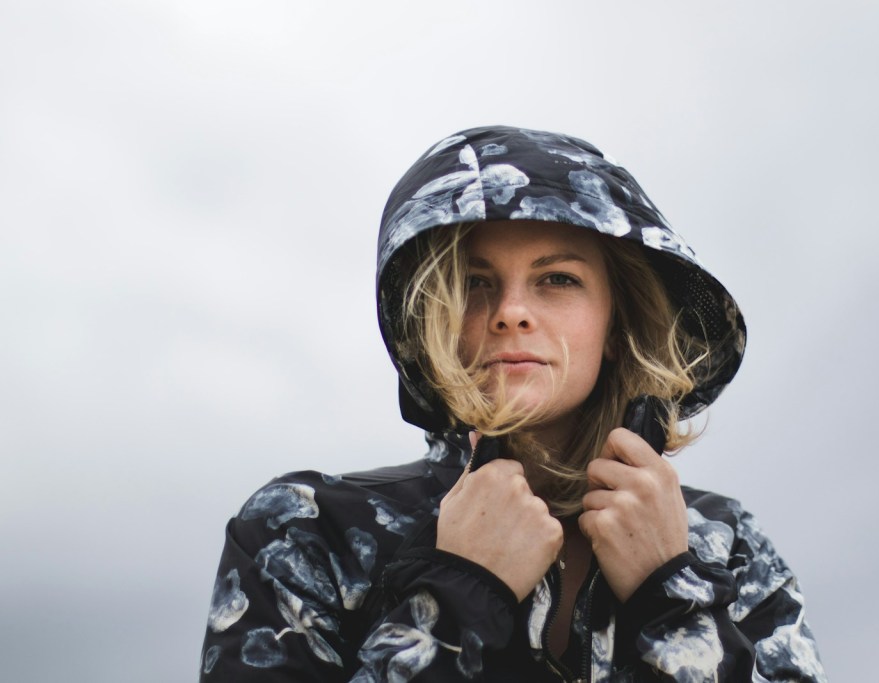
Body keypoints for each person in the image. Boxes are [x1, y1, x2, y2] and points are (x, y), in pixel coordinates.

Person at [199, 126, 828, 682]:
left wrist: (674, 594)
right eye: (473, 284)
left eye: (558, 280)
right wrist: (460, 592)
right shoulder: (308, 532)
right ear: (428, 322)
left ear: (617, 324)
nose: (511, 313)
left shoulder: (725, 546)